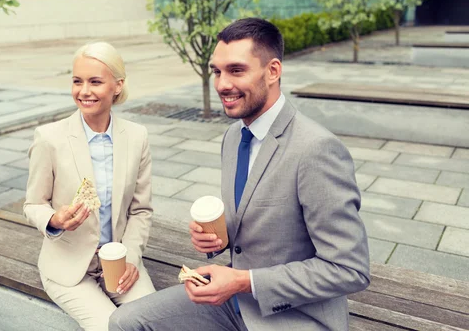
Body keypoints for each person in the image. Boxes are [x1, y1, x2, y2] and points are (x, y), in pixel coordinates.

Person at [109, 18, 370, 331]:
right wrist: (218, 239)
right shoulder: (234, 136)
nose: (221, 84)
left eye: (236, 70)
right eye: (216, 71)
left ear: (273, 71)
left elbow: (349, 269)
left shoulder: (317, 149)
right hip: (237, 303)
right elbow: (257, 223)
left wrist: (244, 281)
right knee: (125, 321)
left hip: (296, 316)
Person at [24, 42, 155, 331]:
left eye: (95, 81)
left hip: (119, 263)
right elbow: (33, 204)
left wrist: (131, 257)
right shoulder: (49, 138)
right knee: (113, 328)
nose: (84, 91)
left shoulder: (137, 137)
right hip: (69, 270)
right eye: (77, 81)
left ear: (117, 86)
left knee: (152, 323)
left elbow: (141, 210)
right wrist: (54, 220)